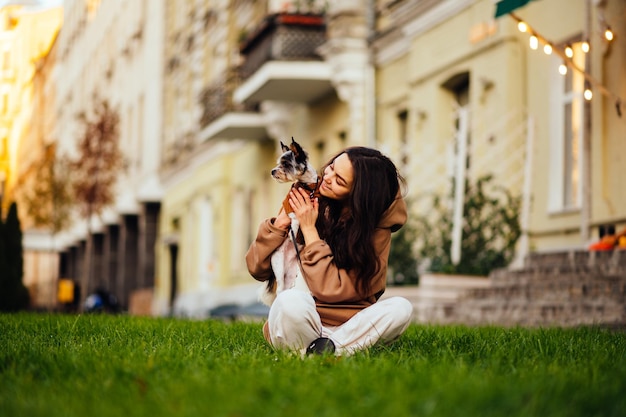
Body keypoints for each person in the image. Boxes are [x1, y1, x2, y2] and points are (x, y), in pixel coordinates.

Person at [245, 146, 413, 356]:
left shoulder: (375, 232)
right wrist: (278, 226)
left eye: (339, 181)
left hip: (350, 324)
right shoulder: (311, 198)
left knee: (401, 308)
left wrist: (309, 231)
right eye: (331, 167)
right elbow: (256, 269)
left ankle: (319, 352)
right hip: (303, 318)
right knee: (290, 301)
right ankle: (335, 351)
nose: (327, 177)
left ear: (358, 196)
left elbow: (331, 290)